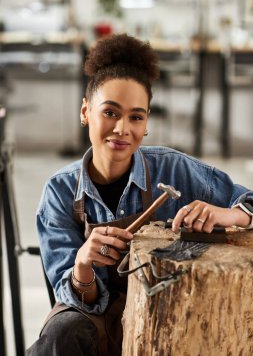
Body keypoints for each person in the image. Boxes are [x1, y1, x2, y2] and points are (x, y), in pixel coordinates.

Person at [26, 33, 253, 356]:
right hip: (96, 320)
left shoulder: (174, 170)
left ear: (146, 123)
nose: (122, 129)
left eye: (136, 116)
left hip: (166, 312)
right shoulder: (59, 192)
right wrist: (83, 265)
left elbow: (250, 203)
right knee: (63, 333)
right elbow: (76, 297)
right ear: (85, 111)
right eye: (110, 113)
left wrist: (227, 214)